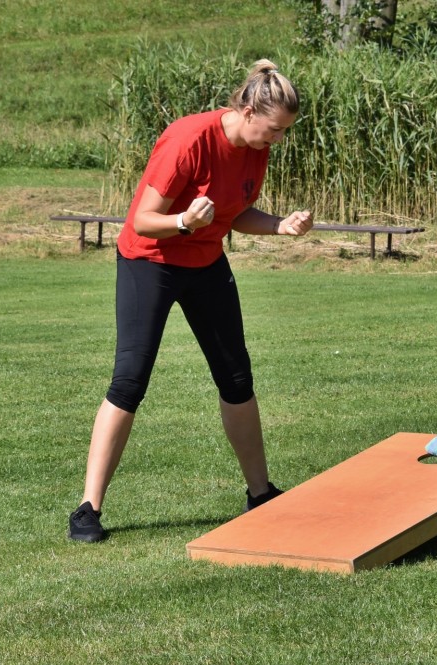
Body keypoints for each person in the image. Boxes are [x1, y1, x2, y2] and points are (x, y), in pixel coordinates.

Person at [68, 59, 314, 542]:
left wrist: (279, 225)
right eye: (274, 129)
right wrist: (185, 222)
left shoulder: (256, 149)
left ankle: (260, 493)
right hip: (150, 261)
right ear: (248, 111)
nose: (278, 139)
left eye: (284, 131)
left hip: (205, 263)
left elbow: (234, 212)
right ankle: (87, 509)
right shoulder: (188, 139)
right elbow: (143, 221)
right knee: (129, 380)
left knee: (236, 378)